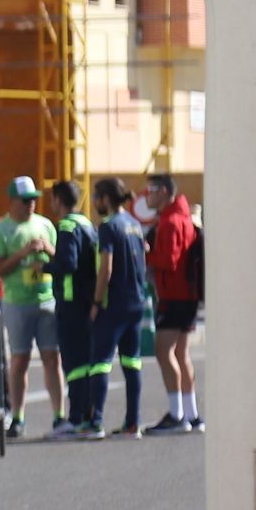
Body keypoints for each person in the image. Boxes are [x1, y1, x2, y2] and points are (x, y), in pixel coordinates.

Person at [0, 175, 61, 438]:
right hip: (17, 302)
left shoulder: (45, 225)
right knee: (20, 360)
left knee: (52, 358)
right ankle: (17, 417)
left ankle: (59, 416)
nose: (31, 205)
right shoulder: (1, 231)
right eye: (26, 201)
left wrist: (47, 249)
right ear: (12, 202)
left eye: (34, 201)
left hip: (46, 299)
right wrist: (21, 254)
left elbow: (61, 258)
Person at [89, 177, 149, 438]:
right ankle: (133, 422)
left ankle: (95, 422)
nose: (94, 202)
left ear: (105, 199)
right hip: (137, 301)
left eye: (96, 197)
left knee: (101, 363)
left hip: (114, 304)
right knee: (132, 362)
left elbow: (107, 267)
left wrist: (95, 301)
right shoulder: (135, 225)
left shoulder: (108, 227)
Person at [145, 174, 204, 433]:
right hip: (188, 296)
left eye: (152, 190)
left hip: (173, 296)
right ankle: (191, 415)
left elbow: (168, 261)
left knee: (163, 352)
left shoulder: (169, 222)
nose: (148, 195)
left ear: (165, 191)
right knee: (181, 354)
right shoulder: (185, 218)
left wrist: (146, 253)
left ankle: (176, 414)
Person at [44, 179, 101, 439]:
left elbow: (68, 263)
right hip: (88, 300)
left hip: (71, 301)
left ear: (58, 199)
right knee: (87, 361)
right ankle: (89, 415)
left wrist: (44, 266)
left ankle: (77, 418)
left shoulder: (66, 226)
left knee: (75, 362)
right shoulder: (87, 224)